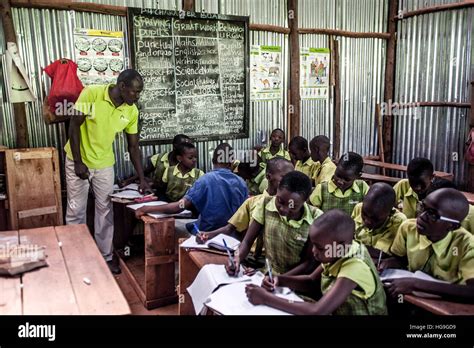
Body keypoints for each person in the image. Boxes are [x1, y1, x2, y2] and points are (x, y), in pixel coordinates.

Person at [64, 69, 150, 274]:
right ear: (122, 87)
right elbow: (74, 126)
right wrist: (77, 162)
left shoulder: (131, 110)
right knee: (76, 210)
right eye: (134, 92)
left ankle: (106, 257)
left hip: (104, 164)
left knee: (105, 210)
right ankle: (76, 258)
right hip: (78, 159)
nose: (137, 96)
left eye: (139, 92)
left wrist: (141, 179)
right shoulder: (92, 94)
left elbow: (133, 147)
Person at [245, 210, 387, 315]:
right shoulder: (338, 250)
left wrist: (265, 298)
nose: (313, 251)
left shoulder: (355, 266)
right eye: (314, 245)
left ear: (341, 245)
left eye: (319, 247)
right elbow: (311, 281)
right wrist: (280, 279)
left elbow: (318, 311)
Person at [380, 188, 474, 302]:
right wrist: (392, 261)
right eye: (422, 207)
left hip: (448, 305)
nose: (422, 216)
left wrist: (416, 284)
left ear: (452, 226)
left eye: (433, 215)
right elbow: (400, 258)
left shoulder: (467, 245)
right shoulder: (409, 228)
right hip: (411, 300)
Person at [135, 143, 248, 234]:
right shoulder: (241, 183)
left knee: (171, 230)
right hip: (232, 236)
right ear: (232, 162)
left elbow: (179, 207)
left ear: (213, 160)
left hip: (205, 233)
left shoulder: (205, 180)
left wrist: (146, 208)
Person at [226, 171, 323, 276]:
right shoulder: (265, 204)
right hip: (268, 274)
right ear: (277, 190)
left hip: (296, 280)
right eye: (280, 201)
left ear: (306, 200)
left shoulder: (316, 218)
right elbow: (247, 242)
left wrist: (280, 280)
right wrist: (237, 258)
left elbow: (308, 263)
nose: (284, 209)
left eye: (292, 206)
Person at [196, 158, 294, 260]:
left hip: (280, 260)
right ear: (269, 176)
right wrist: (207, 235)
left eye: (293, 177)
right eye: (285, 177)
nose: (290, 181)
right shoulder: (252, 203)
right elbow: (229, 228)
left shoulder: (293, 206)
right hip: (253, 258)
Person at [352, 183, 407, 263]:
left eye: (375, 218)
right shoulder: (359, 208)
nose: (367, 221)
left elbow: (380, 253)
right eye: (364, 214)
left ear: (390, 212)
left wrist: (350, 246)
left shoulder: (399, 221)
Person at [254, 128, 291, 193]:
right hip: (264, 179)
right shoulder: (263, 152)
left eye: (279, 137)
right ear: (270, 138)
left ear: (283, 140)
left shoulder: (285, 154)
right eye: (274, 136)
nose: (276, 139)